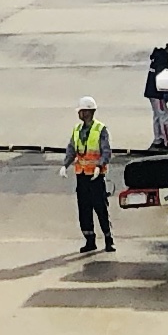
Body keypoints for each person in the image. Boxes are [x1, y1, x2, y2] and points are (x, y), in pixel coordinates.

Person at [67, 95, 113, 254]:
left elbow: (106, 151)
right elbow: (71, 149)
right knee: (84, 209)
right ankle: (89, 240)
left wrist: (99, 166)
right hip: (82, 176)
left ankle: (108, 239)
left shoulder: (100, 129)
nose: (79, 114)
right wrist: (65, 164)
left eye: (81, 111)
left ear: (87, 112)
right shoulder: (77, 130)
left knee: (100, 208)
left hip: (95, 177)